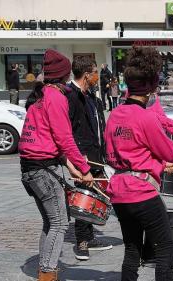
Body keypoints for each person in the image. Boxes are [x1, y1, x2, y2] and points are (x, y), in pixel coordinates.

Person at [104, 46, 173, 281]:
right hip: (141, 194)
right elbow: (172, 153)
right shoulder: (147, 117)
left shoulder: (115, 114)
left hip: (118, 191)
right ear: (151, 87)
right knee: (165, 249)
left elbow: (117, 154)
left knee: (132, 249)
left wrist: (156, 166)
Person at [19, 49, 94, 281]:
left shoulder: (41, 96)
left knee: (50, 221)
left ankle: (46, 268)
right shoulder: (57, 97)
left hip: (31, 167)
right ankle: (48, 275)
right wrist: (85, 168)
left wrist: (70, 166)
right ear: (64, 74)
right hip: (41, 169)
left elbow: (48, 138)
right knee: (60, 223)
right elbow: (65, 139)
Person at [67, 56, 113, 261]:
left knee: (95, 194)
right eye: (95, 72)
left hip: (96, 154)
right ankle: (82, 242)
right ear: (87, 74)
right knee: (84, 195)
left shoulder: (91, 97)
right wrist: (76, 158)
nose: (97, 76)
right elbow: (67, 130)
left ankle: (90, 236)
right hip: (82, 155)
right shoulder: (71, 96)